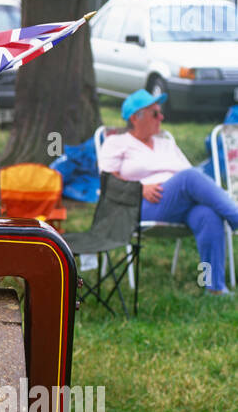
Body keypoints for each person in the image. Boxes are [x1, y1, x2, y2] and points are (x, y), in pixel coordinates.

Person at [98, 88, 238, 295]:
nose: (161, 117)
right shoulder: (116, 143)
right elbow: (107, 183)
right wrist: (139, 188)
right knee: (189, 178)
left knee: (207, 215)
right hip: (141, 205)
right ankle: (235, 216)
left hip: (178, 202)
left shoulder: (167, 144)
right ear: (136, 118)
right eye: (155, 113)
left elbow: (191, 176)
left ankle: (215, 288)